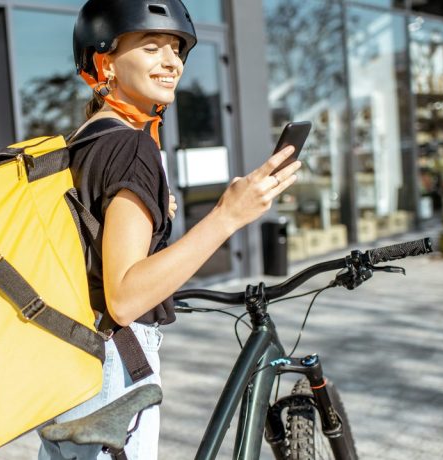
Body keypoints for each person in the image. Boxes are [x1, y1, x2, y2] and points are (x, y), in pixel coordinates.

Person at [38, 1, 301, 458]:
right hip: (110, 371)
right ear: (105, 62)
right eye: (151, 46)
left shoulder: (84, 140)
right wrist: (228, 215)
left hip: (65, 360)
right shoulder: (131, 146)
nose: (172, 62)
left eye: (177, 49)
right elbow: (124, 296)